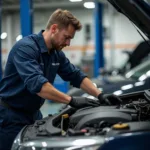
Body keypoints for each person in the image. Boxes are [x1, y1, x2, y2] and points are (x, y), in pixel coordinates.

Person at [0, 9, 121, 150]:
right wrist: (72, 100)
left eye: (70, 39)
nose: (68, 43)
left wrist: (100, 94)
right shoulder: (26, 48)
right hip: (11, 117)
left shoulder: (56, 53)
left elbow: (76, 75)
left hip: (33, 114)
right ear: (54, 29)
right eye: (66, 37)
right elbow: (39, 86)